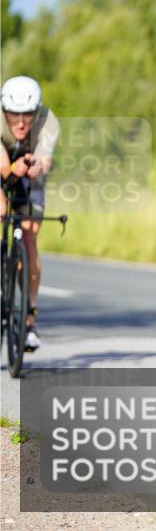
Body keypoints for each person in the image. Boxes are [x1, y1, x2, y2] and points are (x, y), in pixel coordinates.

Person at [0, 76, 60, 352]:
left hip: (31, 177)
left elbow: (46, 159)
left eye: (28, 115)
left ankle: (29, 318)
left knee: (30, 237)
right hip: (3, 169)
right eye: (14, 115)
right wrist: (11, 172)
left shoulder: (48, 121)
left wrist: (38, 167)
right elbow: (2, 169)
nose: (21, 122)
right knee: (1, 209)